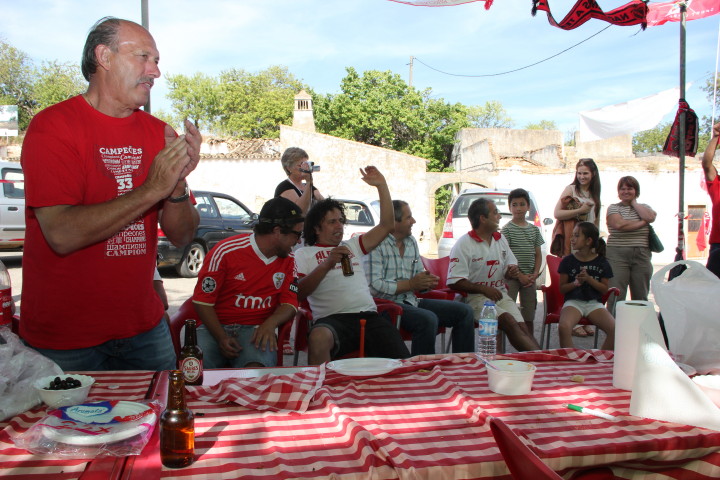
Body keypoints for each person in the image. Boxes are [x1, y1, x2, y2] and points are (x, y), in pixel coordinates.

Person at [19, 17, 201, 371]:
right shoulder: (52, 127)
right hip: (64, 339)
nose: (155, 72)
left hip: (143, 330)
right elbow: (61, 234)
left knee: (161, 421)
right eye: (144, 57)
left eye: (157, 61)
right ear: (104, 57)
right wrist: (152, 189)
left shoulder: (159, 133)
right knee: (62, 429)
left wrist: (177, 187)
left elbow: (181, 236)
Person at [295, 167, 410, 365]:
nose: (339, 226)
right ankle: (321, 392)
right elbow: (298, 293)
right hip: (332, 320)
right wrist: (327, 264)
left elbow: (387, 226)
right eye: (332, 222)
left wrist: (382, 186)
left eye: (341, 220)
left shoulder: (352, 246)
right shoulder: (304, 254)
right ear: (316, 227)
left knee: (404, 367)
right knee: (318, 337)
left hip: (368, 317)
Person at [192, 197, 302, 368]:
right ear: (278, 231)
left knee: (255, 374)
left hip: (255, 329)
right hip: (213, 327)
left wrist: (270, 324)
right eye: (297, 234)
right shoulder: (225, 251)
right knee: (196, 372)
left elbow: (290, 302)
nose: (299, 241)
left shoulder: (289, 260)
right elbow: (202, 301)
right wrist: (221, 337)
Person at [364, 200, 475, 355]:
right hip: (385, 307)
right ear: (394, 222)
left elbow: (417, 278)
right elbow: (374, 287)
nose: (413, 221)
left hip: (411, 301)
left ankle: (464, 363)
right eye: (409, 217)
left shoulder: (411, 241)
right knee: (427, 319)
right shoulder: (375, 244)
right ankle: (422, 371)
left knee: (465, 311)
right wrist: (411, 284)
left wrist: (425, 283)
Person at [447, 198, 541, 352]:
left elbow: (509, 268)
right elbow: (454, 282)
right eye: (495, 212)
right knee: (508, 321)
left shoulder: (499, 238)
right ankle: (542, 363)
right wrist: (484, 290)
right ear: (483, 219)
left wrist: (511, 272)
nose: (499, 216)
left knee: (522, 327)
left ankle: (544, 361)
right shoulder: (464, 244)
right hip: (474, 299)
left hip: (499, 294)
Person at [552, 157, 602, 337]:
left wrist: (596, 244)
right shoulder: (571, 189)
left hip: (589, 244)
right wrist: (579, 211)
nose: (582, 176)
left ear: (593, 174)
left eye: (585, 173)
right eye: (579, 173)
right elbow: (557, 213)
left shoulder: (595, 194)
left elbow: (595, 220)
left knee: (587, 278)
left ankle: (585, 318)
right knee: (572, 279)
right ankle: (572, 323)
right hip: (572, 241)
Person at [557, 222, 615, 350]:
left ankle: (600, 361)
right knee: (564, 326)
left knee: (615, 329)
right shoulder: (568, 261)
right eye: (572, 235)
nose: (572, 239)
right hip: (573, 302)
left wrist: (589, 279)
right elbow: (562, 289)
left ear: (588, 241)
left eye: (576, 236)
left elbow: (604, 289)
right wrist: (576, 283)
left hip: (594, 303)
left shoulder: (602, 262)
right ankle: (570, 359)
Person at [605, 176, 657, 313]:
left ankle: (638, 331)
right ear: (618, 191)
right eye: (622, 189)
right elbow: (619, 224)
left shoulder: (644, 207)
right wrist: (643, 222)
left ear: (636, 191)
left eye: (630, 188)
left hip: (641, 255)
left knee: (641, 296)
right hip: (617, 254)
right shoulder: (613, 208)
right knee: (616, 294)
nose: (626, 191)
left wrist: (634, 204)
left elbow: (651, 216)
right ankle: (614, 330)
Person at [501, 188, 544, 338]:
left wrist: (534, 274)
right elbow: (505, 257)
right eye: (514, 205)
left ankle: (529, 347)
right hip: (512, 278)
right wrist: (519, 276)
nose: (518, 208)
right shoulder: (506, 230)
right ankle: (503, 347)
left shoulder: (534, 230)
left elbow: (538, 254)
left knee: (528, 315)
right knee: (507, 312)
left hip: (529, 279)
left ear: (528, 207)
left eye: (522, 204)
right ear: (509, 207)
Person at [275, 147, 324, 215]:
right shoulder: (285, 187)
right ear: (289, 168)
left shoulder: (310, 187)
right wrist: (308, 182)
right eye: (301, 165)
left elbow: (325, 206)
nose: (305, 168)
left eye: (306, 164)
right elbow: (300, 211)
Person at [702, 122, 720, 279]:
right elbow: (706, 163)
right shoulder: (717, 184)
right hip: (718, 245)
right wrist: (716, 137)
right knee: (714, 289)